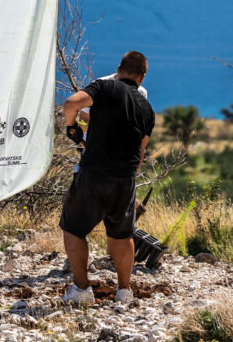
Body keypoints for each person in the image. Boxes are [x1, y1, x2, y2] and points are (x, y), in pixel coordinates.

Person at [59, 51, 154, 305]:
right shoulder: (146, 107)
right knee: (123, 236)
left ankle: (81, 290)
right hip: (125, 179)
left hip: (94, 173)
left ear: (119, 68)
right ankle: (124, 292)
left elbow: (70, 104)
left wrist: (72, 127)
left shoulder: (104, 87)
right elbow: (141, 149)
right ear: (142, 77)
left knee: (73, 229)